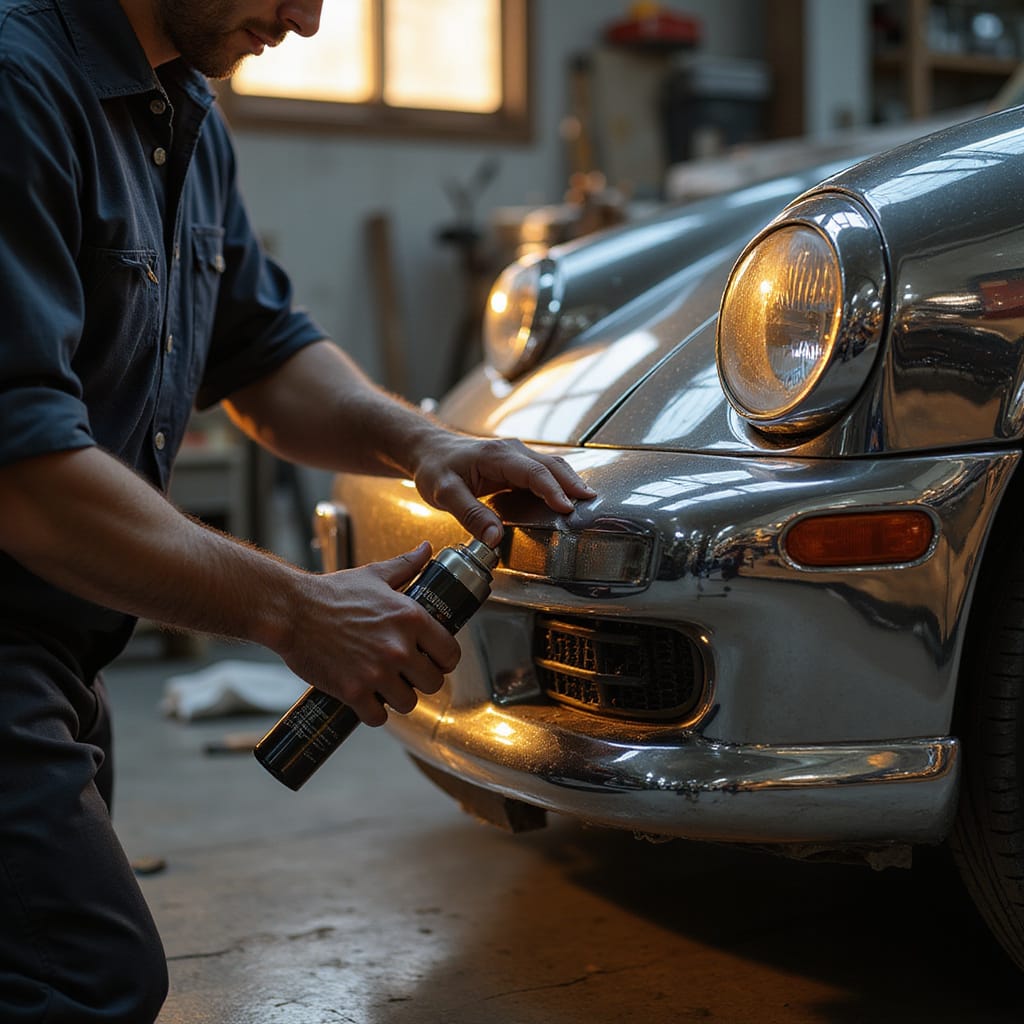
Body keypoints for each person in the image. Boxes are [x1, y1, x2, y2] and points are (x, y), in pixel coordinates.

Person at [0, 1, 596, 1020]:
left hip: (59, 640)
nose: (309, 20)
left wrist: (425, 440)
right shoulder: (20, 87)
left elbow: (262, 352)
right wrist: (293, 608)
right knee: (82, 978)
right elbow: (23, 477)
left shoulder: (181, 108)